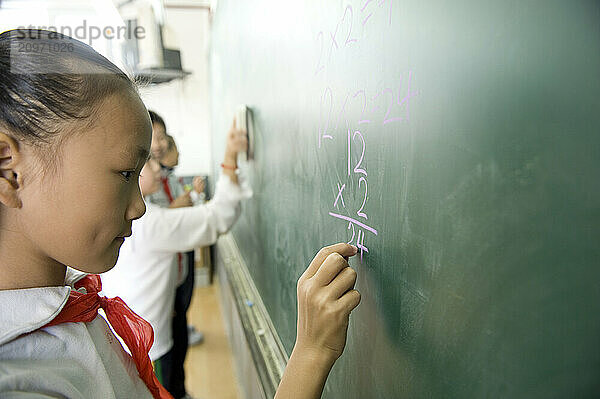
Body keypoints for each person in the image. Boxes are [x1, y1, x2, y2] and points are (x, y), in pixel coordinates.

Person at [0, 29, 361, 399]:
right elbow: (216, 217)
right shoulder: (23, 380)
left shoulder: (73, 308)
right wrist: (312, 353)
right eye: (126, 173)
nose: (138, 206)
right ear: (8, 170)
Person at [100, 116, 251, 397]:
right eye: (149, 161)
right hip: (150, 343)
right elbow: (219, 216)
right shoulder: (151, 223)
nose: (158, 167)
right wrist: (230, 156)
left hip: (138, 333)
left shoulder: (125, 215)